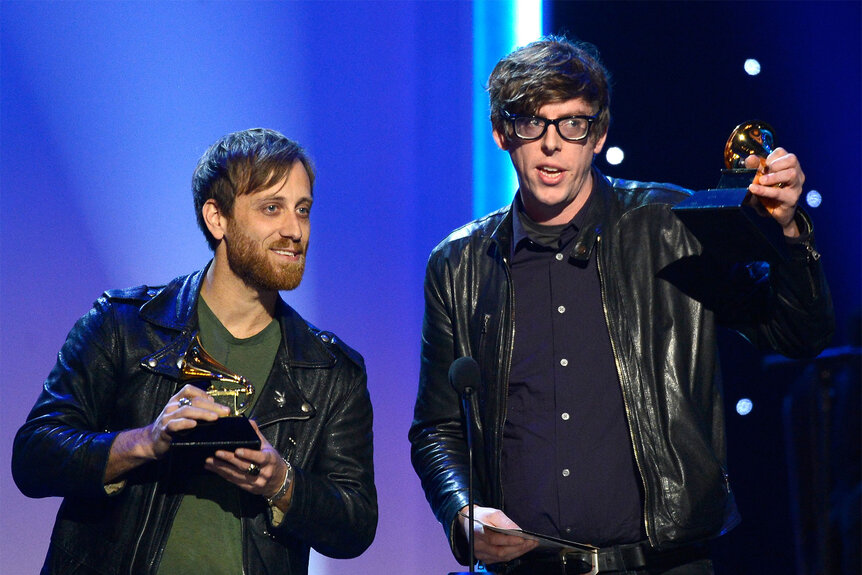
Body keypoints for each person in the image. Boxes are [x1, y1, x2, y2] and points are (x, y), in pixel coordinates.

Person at [409, 36, 833, 574]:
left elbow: (800, 335)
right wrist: (461, 512)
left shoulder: (670, 225)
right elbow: (438, 427)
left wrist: (791, 233)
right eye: (530, 123)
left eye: (572, 123)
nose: (551, 144)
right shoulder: (458, 265)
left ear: (599, 133)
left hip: (663, 564)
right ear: (501, 133)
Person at [12, 128, 377, 575]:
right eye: (271, 208)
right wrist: (145, 442)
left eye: (303, 210)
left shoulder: (331, 371)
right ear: (216, 218)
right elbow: (34, 457)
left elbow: (355, 523)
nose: (294, 230)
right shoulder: (125, 325)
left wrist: (280, 482)